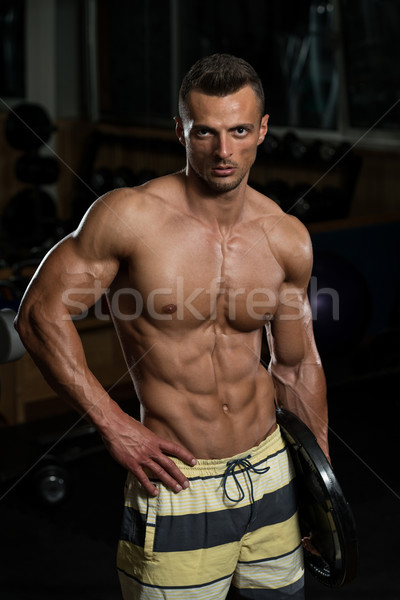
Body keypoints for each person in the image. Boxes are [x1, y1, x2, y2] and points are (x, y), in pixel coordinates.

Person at [16, 54, 329, 599]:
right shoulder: (128, 218)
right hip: (179, 482)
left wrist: (319, 487)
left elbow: (297, 365)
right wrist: (114, 424)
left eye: (237, 131)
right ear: (180, 130)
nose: (222, 151)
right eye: (204, 131)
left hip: (272, 471)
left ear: (262, 130)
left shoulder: (286, 236)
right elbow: (40, 314)